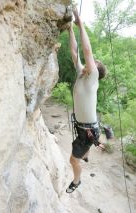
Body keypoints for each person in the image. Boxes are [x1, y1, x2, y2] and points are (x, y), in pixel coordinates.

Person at [66, 9, 107, 193]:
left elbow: (86, 50)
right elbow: (75, 52)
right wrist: (69, 30)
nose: (89, 64)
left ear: (95, 71)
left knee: (73, 160)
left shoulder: (92, 78)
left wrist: (80, 23)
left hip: (88, 129)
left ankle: (77, 181)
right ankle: (87, 154)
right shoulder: (82, 74)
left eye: (93, 64)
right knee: (83, 148)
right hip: (84, 127)